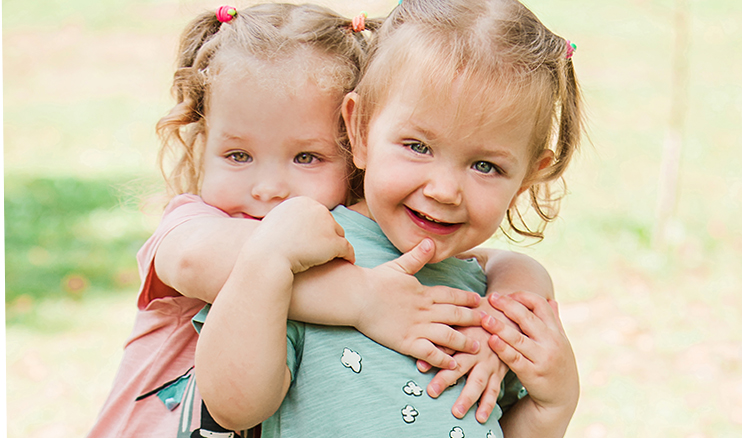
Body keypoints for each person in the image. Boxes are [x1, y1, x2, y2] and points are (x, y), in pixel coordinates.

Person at [88, 3, 556, 437]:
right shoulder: (198, 224)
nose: (268, 188)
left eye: (307, 157)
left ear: (354, 145)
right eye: (237, 155)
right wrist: (364, 299)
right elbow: (206, 261)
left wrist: (520, 291)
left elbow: (487, 261)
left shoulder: (353, 243)